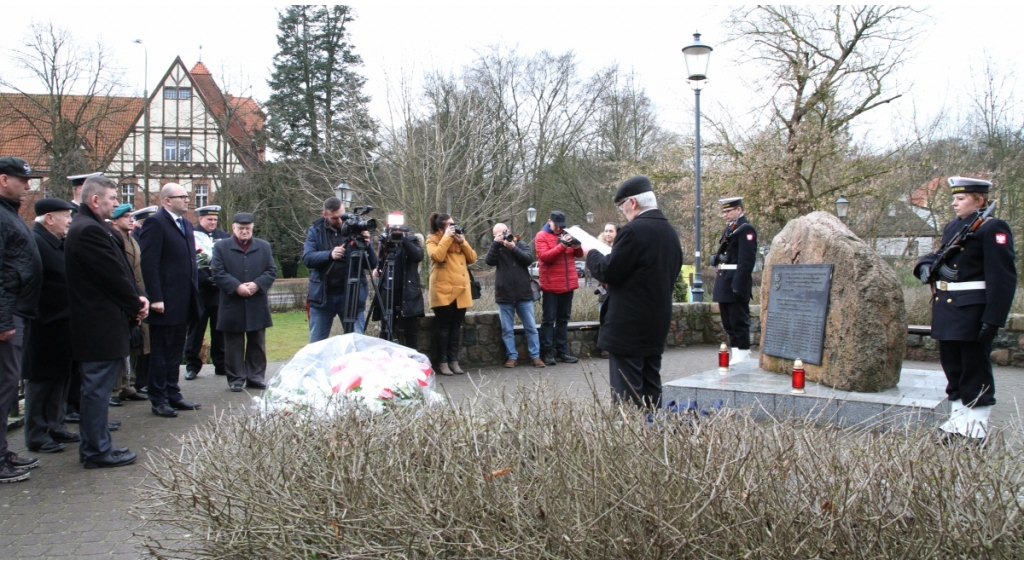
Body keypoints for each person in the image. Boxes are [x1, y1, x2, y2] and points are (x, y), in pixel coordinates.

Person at [914, 176, 1017, 444]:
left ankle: (977, 426)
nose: (954, 203)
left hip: (973, 310)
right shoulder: (954, 227)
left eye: (961, 198)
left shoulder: (993, 228)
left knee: (975, 367)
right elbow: (940, 255)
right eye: (954, 198)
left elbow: (1003, 277)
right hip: (948, 309)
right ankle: (959, 421)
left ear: (979, 200)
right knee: (954, 368)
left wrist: (993, 318)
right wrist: (924, 266)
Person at [64, 175, 147, 469]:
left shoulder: (94, 227)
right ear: (95, 200)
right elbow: (111, 276)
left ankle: (98, 445)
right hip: (97, 324)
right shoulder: (88, 230)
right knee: (97, 389)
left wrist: (137, 296)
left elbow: (122, 271)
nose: (117, 203)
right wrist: (135, 304)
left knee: (97, 389)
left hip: (103, 321)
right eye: (113, 198)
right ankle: (96, 450)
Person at [583, 175, 682, 410]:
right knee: (651, 392)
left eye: (622, 205)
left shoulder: (633, 232)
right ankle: (654, 437)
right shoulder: (670, 232)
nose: (622, 211)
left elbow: (609, 271)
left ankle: (633, 440)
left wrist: (591, 253)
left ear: (633, 203)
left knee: (627, 399)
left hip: (628, 328)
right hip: (655, 324)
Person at [139, 183, 202, 418]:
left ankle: (173, 394)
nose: (187, 200)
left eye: (187, 196)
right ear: (166, 200)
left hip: (184, 299)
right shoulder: (155, 223)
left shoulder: (185, 223)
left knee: (176, 350)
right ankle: (159, 398)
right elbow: (149, 262)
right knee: (161, 352)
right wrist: (155, 297)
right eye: (182, 197)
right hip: (164, 301)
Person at [0, 156, 44, 483]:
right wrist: (3, 321)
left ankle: (3, 452)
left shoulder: (8, 214)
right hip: (8, 315)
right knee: (4, 387)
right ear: (4, 180)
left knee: (7, 386)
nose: (28, 186)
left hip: (17, 311)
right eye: (22, 180)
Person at [22, 198, 77, 455]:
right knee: (42, 380)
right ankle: (36, 433)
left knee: (60, 378)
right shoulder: (37, 242)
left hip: (61, 324)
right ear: (50, 218)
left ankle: (55, 424)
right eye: (66, 216)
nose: (69, 221)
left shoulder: (55, 243)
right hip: (44, 325)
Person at [210, 213, 277, 392]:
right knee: (233, 344)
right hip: (232, 302)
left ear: (252, 228)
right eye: (241, 228)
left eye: (248, 228)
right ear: (233, 228)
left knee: (257, 342)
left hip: (256, 302)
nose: (245, 232)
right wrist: (237, 286)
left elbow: (271, 270)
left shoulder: (263, 246)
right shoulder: (221, 247)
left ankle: (255, 377)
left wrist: (257, 284)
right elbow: (217, 272)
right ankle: (236, 379)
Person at [303, 197, 377, 342]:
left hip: (352, 296)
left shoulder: (355, 229)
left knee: (356, 343)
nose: (339, 221)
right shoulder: (316, 230)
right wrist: (329, 255)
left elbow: (372, 263)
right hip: (323, 297)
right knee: (316, 344)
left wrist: (367, 245)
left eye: (341, 216)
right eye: (334, 218)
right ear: (325, 215)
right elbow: (308, 258)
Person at [485, 223, 543, 368]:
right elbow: (489, 261)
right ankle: (512, 356)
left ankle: (535, 356)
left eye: (503, 232)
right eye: (498, 234)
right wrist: (495, 244)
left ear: (509, 231)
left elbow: (528, 259)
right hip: (504, 295)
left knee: (530, 327)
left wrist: (513, 247)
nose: (502, 235)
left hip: (523, 293)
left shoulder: (521, 244)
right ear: (494, 236)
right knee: (507, 329)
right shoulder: (496, 249)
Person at [426, 212, 477, 375]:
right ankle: (442, 362)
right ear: (441, 228)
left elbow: (473, 258)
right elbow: (437, 256)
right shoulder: (432, 239)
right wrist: (447, 238)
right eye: (450, 224)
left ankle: (453, 360)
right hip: (444, 290)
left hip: (461, 289)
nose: (453, 227)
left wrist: (463, 242)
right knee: (444, 328)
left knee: (456, 328)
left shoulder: (459, 239)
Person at [184, 205, 229, 381]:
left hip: (219, 292)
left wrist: (221, 279)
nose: (212, 223)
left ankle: (221, 364)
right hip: (200, 292)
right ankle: (192, 366)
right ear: (200, 219)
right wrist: (204, 278)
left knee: (220, 331)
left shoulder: (224, 237)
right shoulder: (191, 237)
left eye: (215, 220)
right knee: (196, 331)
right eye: (209, 219)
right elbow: (189, 261)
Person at [110, 203, 149, 402]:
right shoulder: (114, 239)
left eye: (131, 216)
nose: (131, 219)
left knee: (135, 343)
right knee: (122, 344)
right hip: (125, 297)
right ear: (114, 220)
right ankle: (116, 389)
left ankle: (128, 384)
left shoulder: (130, 239)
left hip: (136, 294)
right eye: (126, 216)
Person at [711, 197, 757, 365]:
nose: (725, 215)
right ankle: (736, 351)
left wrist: (739, 284)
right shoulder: (730, 229)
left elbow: (746, 261)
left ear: (739, 210)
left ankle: (743, 353)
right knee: (728, 322)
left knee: (738, 320)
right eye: (724, 212)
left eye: (728, 211)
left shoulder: (746, 230)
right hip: (724, 280)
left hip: (735, 281)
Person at [534, 210, 583, 365]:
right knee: (548, 320)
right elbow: (545, 257)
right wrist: (562, 245)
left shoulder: (566, 234)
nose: (559, 229)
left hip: (567, 284)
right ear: (550, 221)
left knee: (563, 319)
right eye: (557, 225)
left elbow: (579, 254)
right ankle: (547, 352)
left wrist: (576, 245)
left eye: (562, 226)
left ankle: (562, 351)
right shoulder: (541, 236)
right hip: (551, 286)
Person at [371, 228, 425, 349]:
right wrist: (377, 268)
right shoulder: (386, 241)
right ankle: (385, 358)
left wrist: (404, 239)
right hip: (388, 290)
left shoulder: (411, 240)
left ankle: (411, 359)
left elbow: (418, 256)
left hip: (407, 292)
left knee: (409, 330)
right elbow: (380, 262)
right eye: (393, 229)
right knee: (386, 330)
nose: (396, 231)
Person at [596, 223, 618, 359]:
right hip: (604, 290)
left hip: (617, 290)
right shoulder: (598, 248)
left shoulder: (621, 248)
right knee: (604, 319)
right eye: (606, 231)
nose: (608, 234)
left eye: (611, 231)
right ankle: (604, 348)